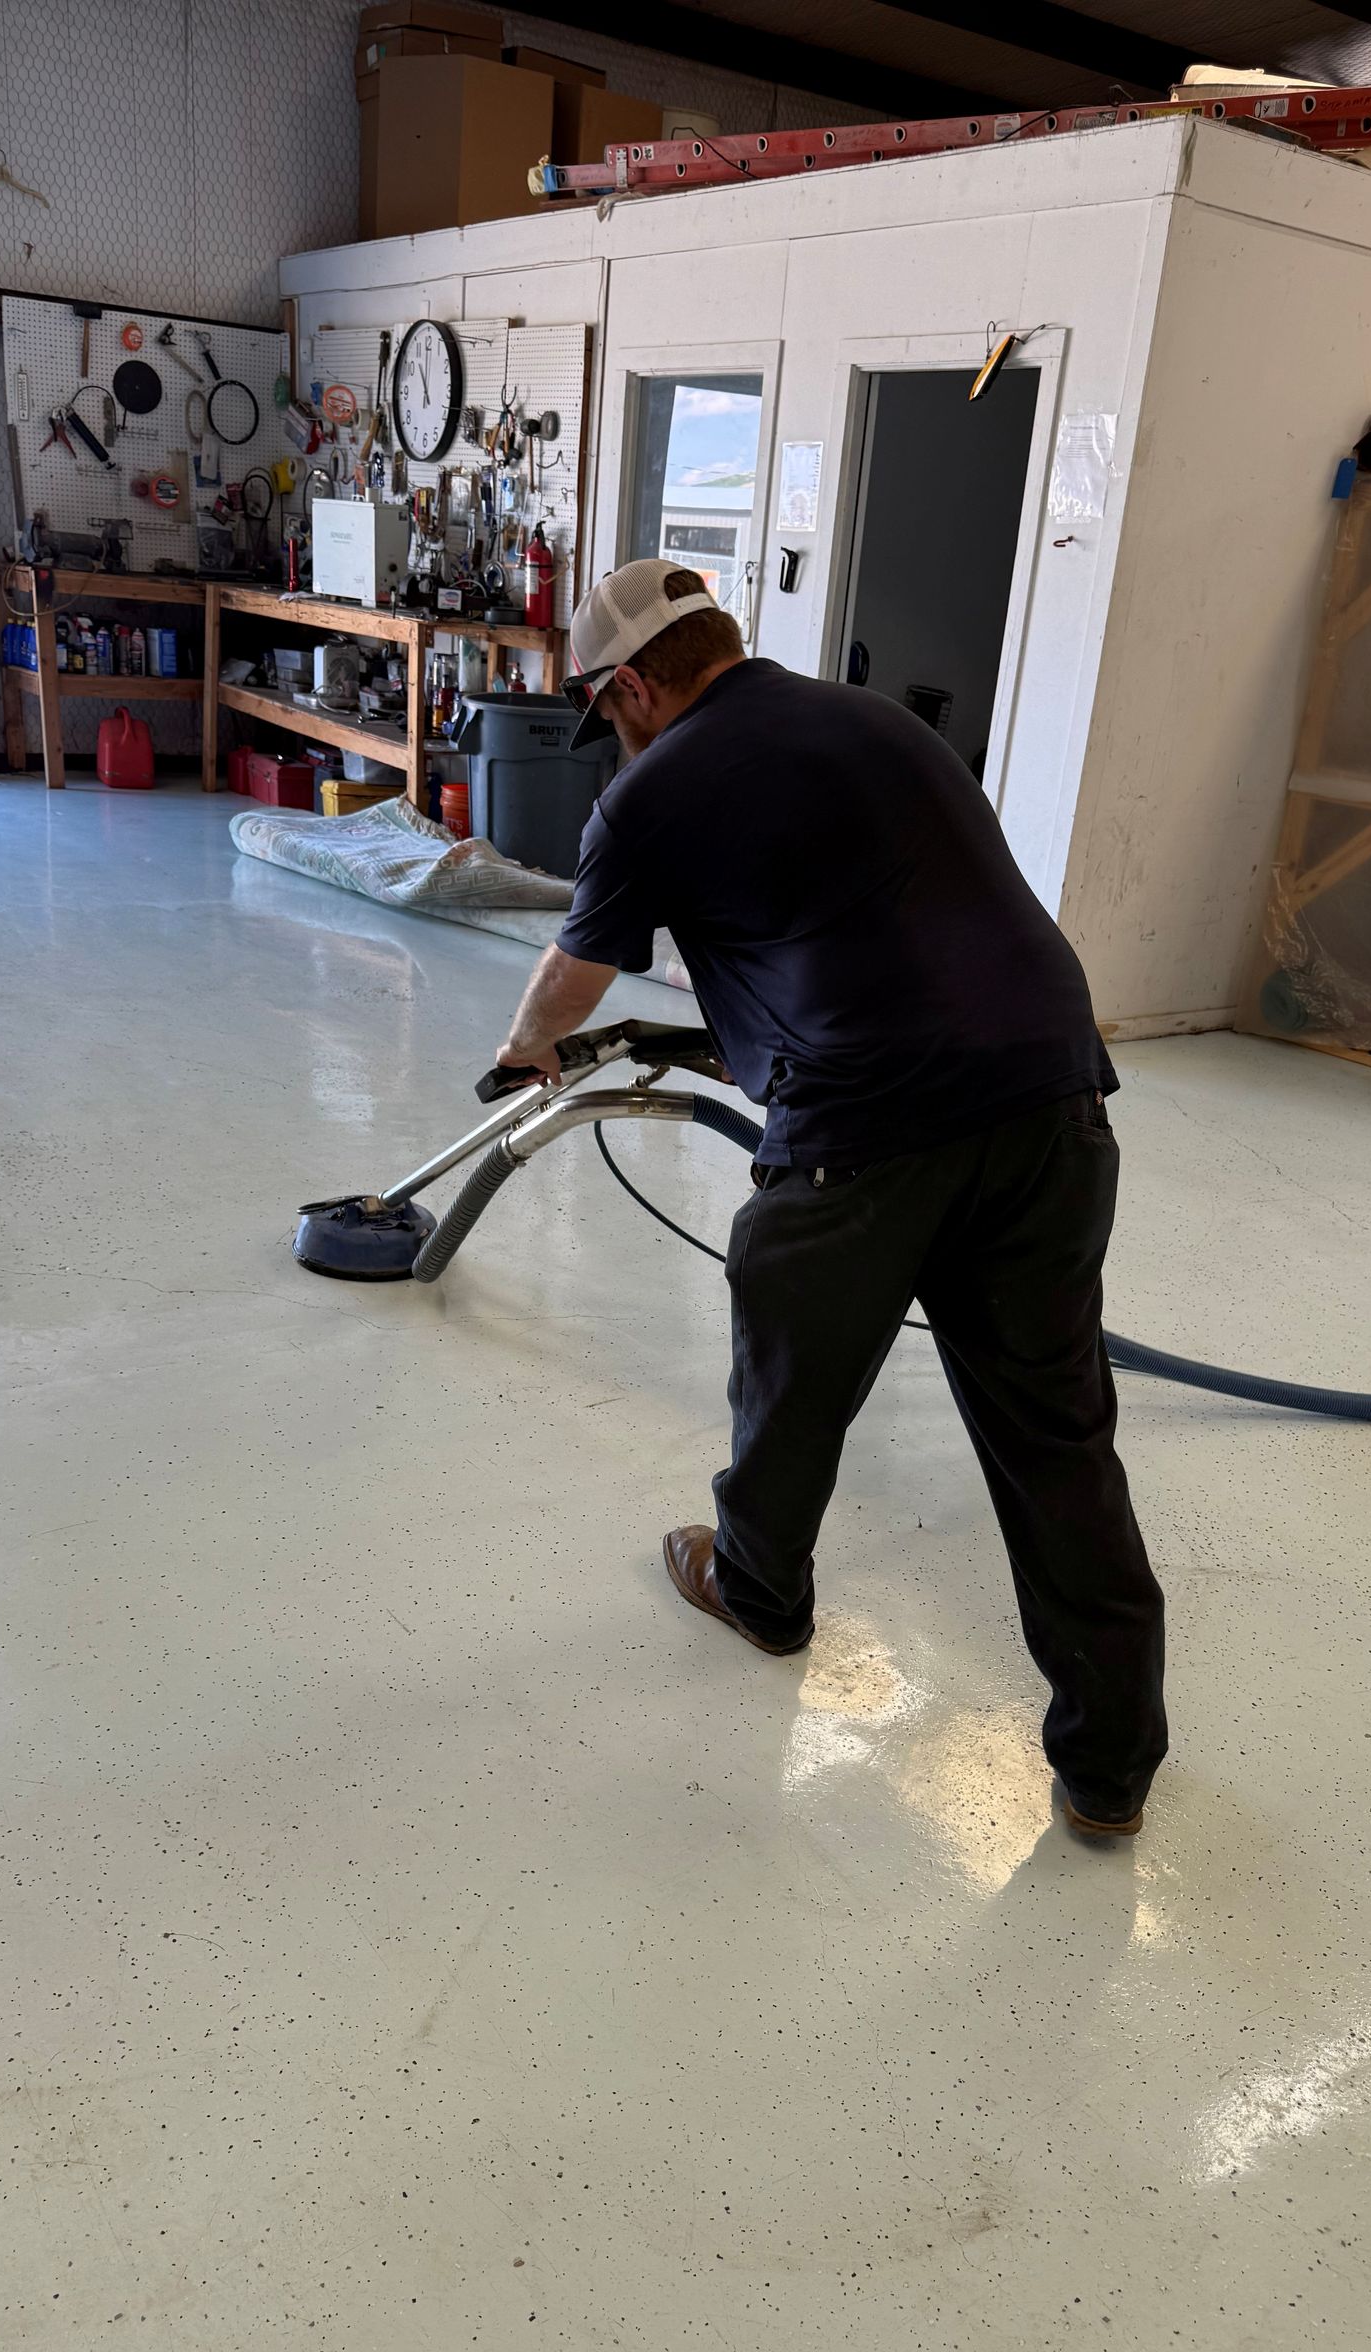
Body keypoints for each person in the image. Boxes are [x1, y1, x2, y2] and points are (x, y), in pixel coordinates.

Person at [496, 559, 1166, 1838]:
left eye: (608, 710)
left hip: (865, 1135)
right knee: (1057, 1439)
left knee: (792, 1381)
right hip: (1056, 1101)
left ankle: (756, 1587)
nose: (613, 736)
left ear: (634, 684)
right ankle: (1113, 1769)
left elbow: (574, 972)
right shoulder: (882, 722)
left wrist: (527, 1046)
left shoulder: (650, 794)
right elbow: (871, 913)